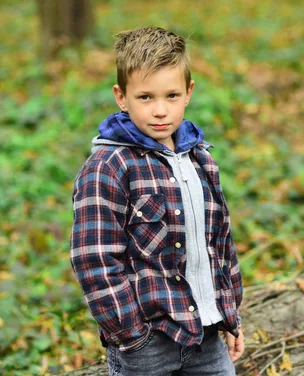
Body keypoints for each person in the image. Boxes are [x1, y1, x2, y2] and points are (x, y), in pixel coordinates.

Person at [70, 26, 244, 376]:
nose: (160, 111)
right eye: (145, 97)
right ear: (122, 97)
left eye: (172, 96)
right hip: (148, 345)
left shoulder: (200, 159)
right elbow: (94, 259)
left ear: (189, 93)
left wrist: (230, 315)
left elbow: (220, 244)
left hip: (206, 336)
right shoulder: (109, 167)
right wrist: (131, 334)